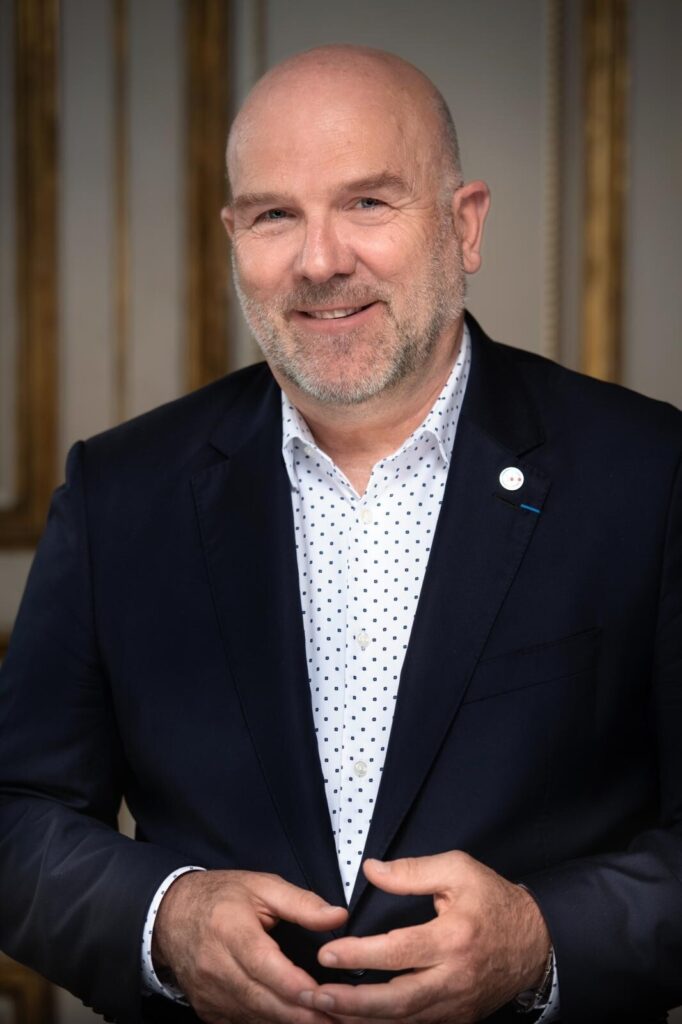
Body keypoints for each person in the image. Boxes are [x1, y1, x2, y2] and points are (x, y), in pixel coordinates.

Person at [0, 44, 680, 1024]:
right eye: (275, 215)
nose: (319, 261)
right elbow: (17, 811)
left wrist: (540, 939)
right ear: (233, 235)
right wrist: (164, 918)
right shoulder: (121, 491)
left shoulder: (647, 474)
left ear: (464, 224)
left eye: (367, 202)